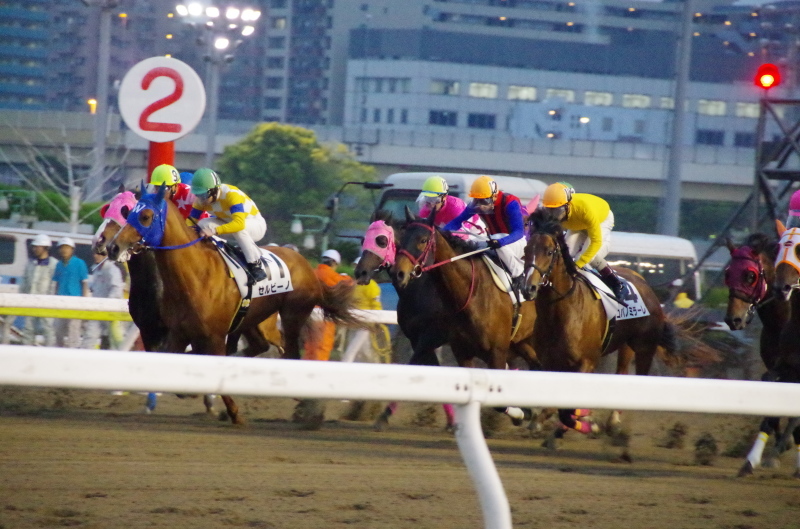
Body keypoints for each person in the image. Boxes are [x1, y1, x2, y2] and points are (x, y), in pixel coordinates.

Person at [443, 175, 528, 296]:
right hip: (493, 242)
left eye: (483, 201)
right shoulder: (477, 204)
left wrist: (501, 242)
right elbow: (457, 222)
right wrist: (439, 232)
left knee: (496, 241)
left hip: (515, 243)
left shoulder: (510, 203)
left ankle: (519, 275)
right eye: (477, 201)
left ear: (494, 196)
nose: (480, 206)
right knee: (470, 243)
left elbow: (519, 232)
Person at [541, 182, 627, 299]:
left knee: (589, 257)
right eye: (549, 210)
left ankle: (617, 283)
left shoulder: (585, 210)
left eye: (557, 210)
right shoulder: (555, 210)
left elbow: (596, 242)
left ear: (568, 205)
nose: (553, 216)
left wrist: (578, 265)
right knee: (564, 253)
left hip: (601, 219)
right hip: (577, 224)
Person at [189, 167, 268, 283]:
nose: (201, 200)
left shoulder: (231, 194)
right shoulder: (201, 201)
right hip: (229, 224)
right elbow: (190, 223)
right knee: (201, 224)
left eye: (204, 195)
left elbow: (239, 224)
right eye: (198, 195)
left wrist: (214, 231)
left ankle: (255, 265)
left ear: (214, 190)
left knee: (237, 228)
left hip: (255, 225)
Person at [303, 249, 352, 361]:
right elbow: (347, 284)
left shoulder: (311, 272)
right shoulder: (332, 276)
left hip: (308, 315)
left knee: (310, 346)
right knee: (322, 347)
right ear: (334, 263)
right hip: (324, 317)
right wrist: (345, 276)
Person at [341, 256, 382, 363]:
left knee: (350, 352)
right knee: (365, 353)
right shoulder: (352, 284)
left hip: (365, 325)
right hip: (353, 323)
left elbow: (376, 305)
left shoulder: (372, 286)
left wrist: (377, 322)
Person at [416, 175, 486, 239]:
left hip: (473, 231)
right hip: (447, 230)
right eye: (427, 198)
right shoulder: (425, 209)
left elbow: (463, 234)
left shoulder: (455, 207)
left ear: (444, 198)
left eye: (435, 200)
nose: (431, 204)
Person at [20, 233, 58, 346]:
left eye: (37, 247)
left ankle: (50, 354)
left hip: (46, 302)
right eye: (34, 246)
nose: (34, 249)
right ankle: (27, 354)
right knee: (28, 329)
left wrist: (51, 301)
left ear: (45, 248)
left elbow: (53, 285)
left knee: (48, 329)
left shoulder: (53, 264)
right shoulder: (30, 263)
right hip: (30, 301)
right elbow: (25, 282)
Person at [51, 237, 89, 348]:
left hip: (75, 300)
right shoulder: (58, 265)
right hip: (61, 300)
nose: (64, 250)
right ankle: (59, 350)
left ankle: (74, 351)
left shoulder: (80, 263)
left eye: (67, 248)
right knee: (58, 329)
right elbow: (56, 283)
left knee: (74, 329)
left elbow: (84, 283)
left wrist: (83, 300)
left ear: (72, 249)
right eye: (62, 248)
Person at [83, 252, 125, 349]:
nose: (95, 255)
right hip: (98, 310)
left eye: (99, 254)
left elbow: (116, 289)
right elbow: (94, 290)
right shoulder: (97, 269)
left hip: (112, 312)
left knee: (117, 340)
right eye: (95, 253)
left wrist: (108, 304)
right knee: (90, 337)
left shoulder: (113, 270)